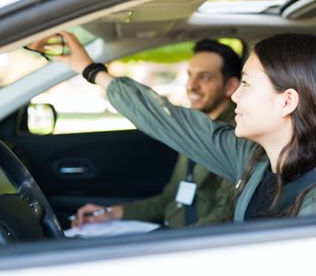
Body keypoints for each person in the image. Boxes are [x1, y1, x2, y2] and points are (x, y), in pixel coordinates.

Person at [57, 31, 316, 222]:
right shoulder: (252, 158)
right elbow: (170, 120)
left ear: (286, 102)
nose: (234, 95)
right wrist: (91, 70)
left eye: (246, 84)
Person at [68, 39, 241, 228]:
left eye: (205, 77)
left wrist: (173, 245)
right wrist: (111, 213)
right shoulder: (197, 126)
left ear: (230, 86)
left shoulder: (235, 137)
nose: (191, 85)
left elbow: (227, 215)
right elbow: (169, 199)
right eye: (190, 75)